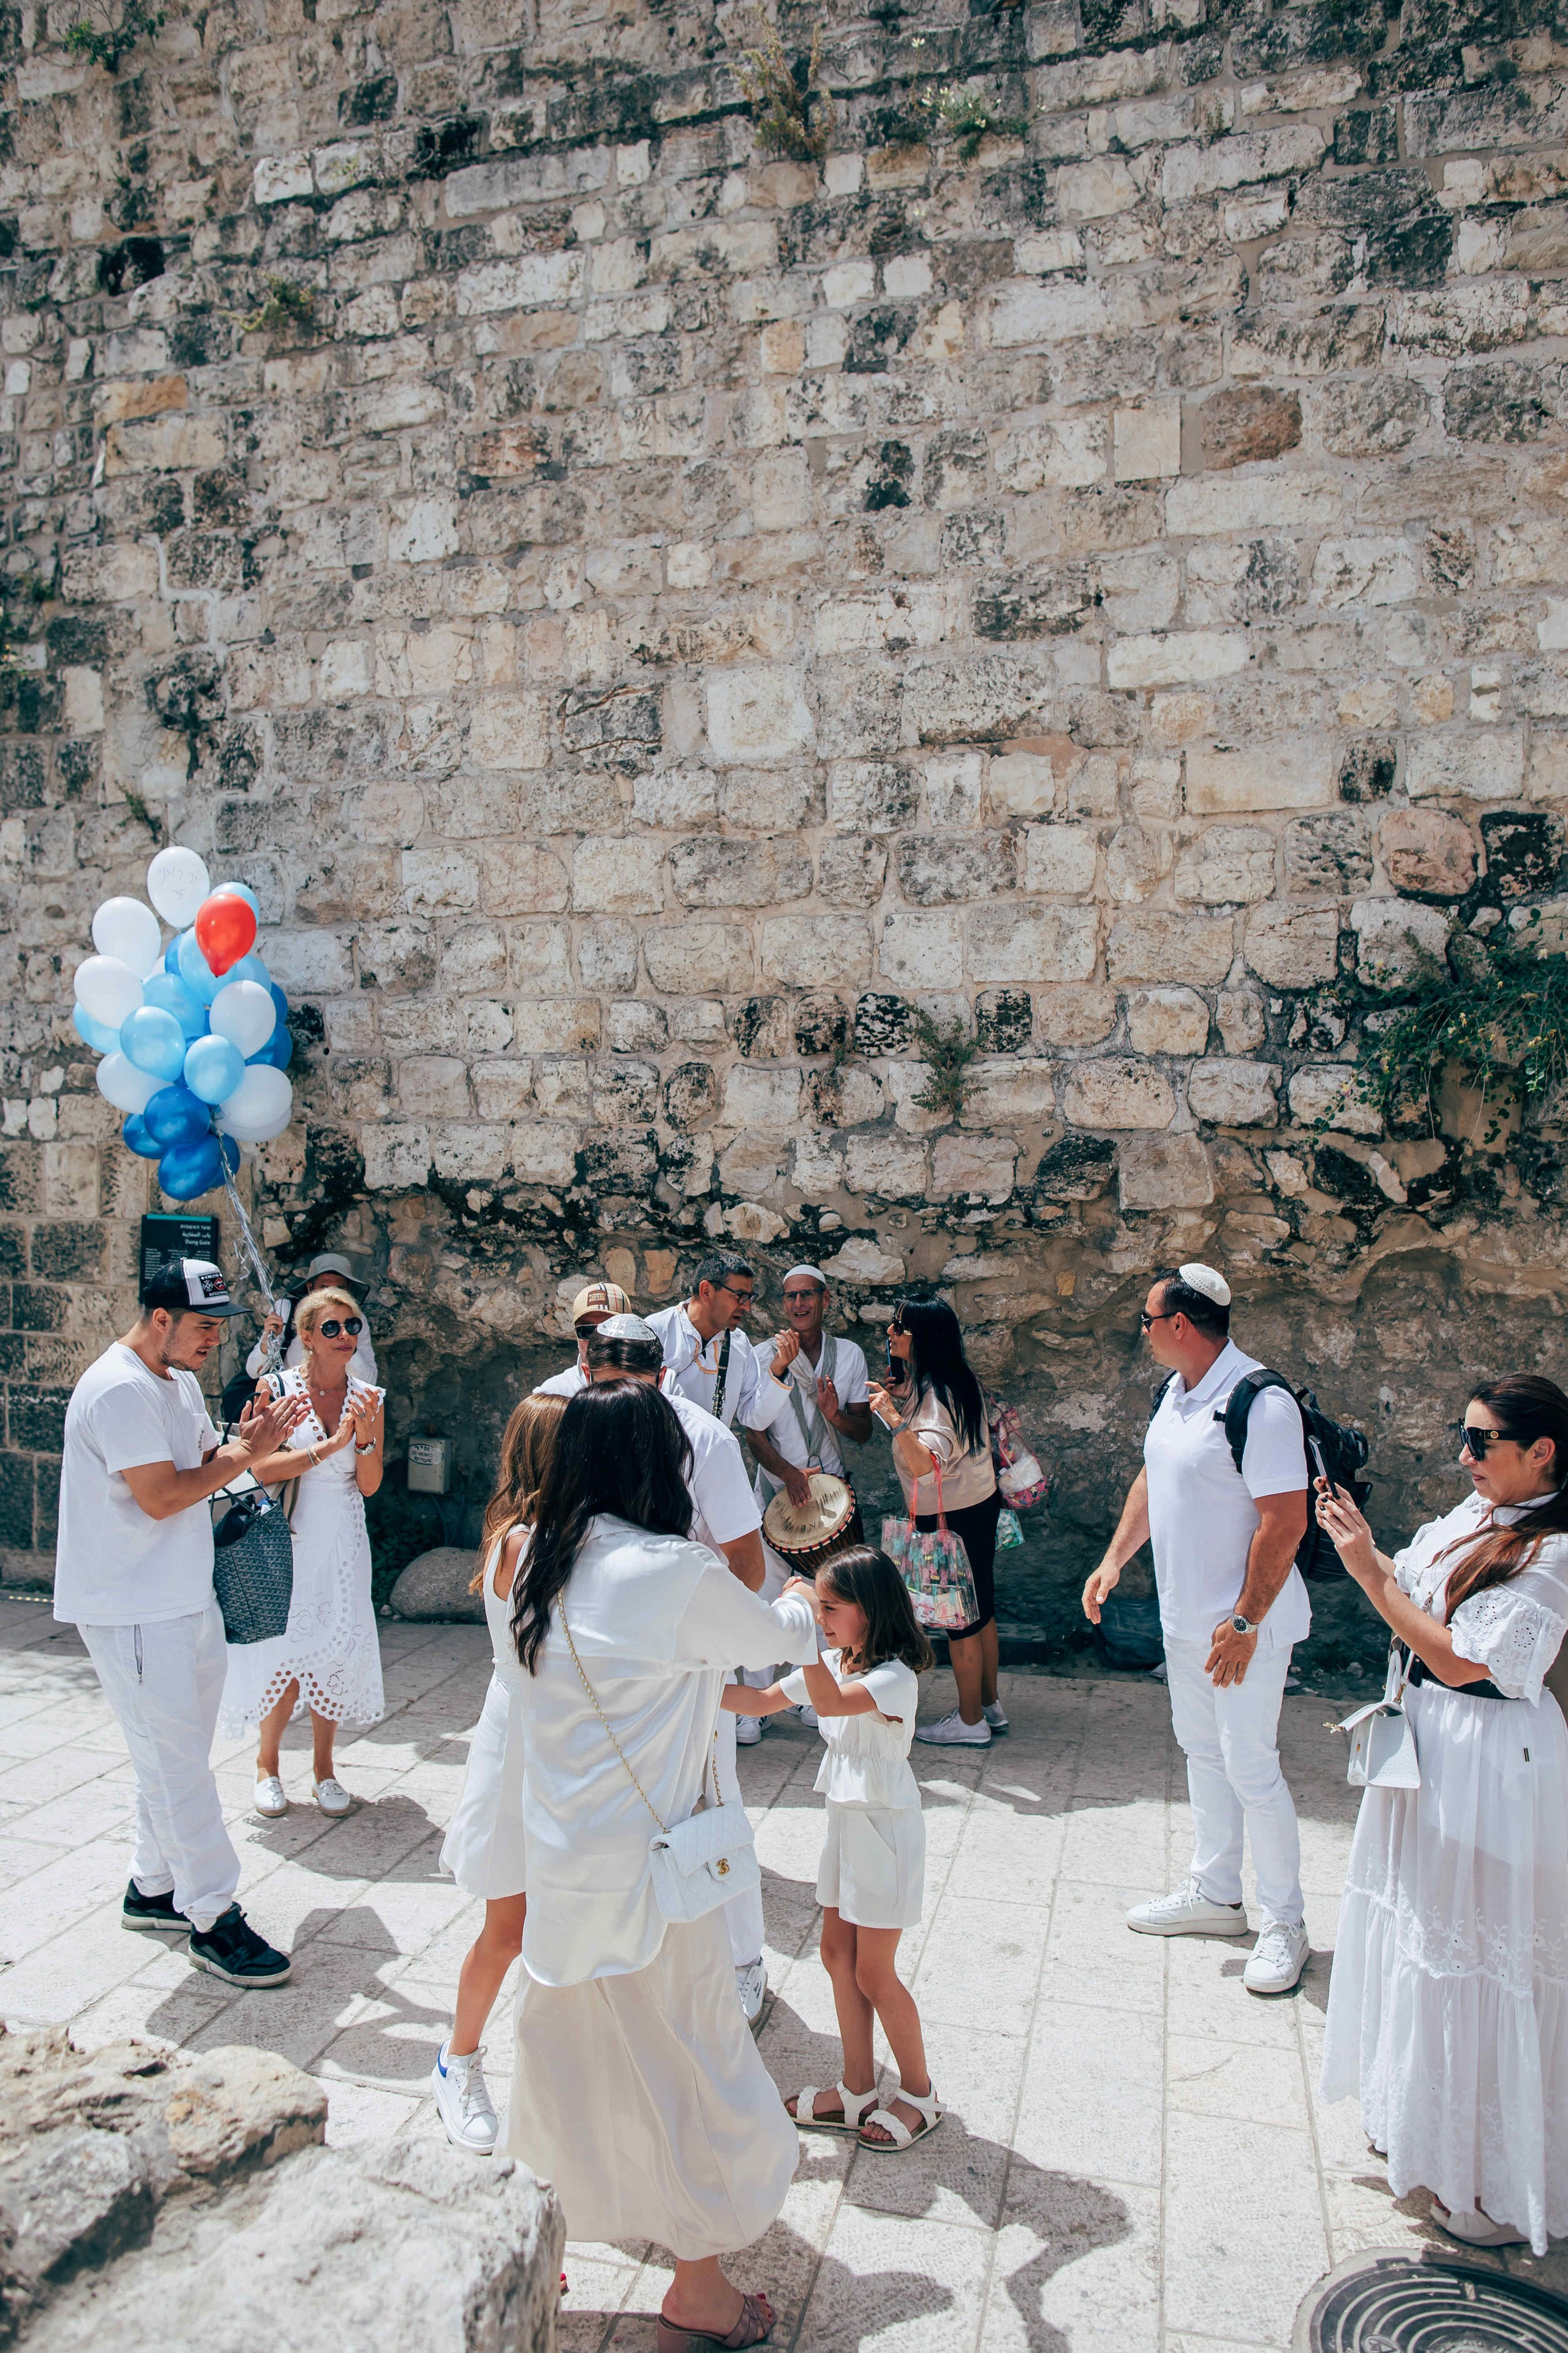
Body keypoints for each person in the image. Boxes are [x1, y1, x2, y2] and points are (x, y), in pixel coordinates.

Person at [502, 1381, 819, 2352]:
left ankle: (537, 2247)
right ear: (662, 1463)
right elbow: (776, 1644)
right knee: (686, 2061)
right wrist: (802, 1592)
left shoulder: (524, 1562)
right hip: (654, 1874)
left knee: (566, 2057)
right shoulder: (672, 1571)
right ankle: (698, 2286)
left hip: (560, 1861)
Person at [1317, 1375, 1568, 2255]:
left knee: (1478, 1947)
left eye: (1483, 1441)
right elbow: (1405, 1587)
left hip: (1494, 1759)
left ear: (1542, 1451)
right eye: (1462, 1436)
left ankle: (1495, 2181)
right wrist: (1363, 1546)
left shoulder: (1555, 1550)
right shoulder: (1469, 1520)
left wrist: (1364, 1574)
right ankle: (1425, 2134)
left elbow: (1469, 1664)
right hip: (1427, 1743)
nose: (1464, 1456)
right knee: (1423, 1936)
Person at [55, 1258, 306, 1987]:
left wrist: (246, 1440)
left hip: (182, 1596)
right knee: (177, 1765)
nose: (211, 1342)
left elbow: (203, 1458)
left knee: (175, 1755)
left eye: (217, 1328)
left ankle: (153, 1885)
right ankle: (212, 1915)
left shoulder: (176, 1380)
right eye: (201, 1327)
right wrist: (244, 1454)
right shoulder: (119, 1388)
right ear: (159, 1317)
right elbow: (164, 1496)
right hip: (132, 1607)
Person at [1082, 1264, 1311, 1996]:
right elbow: (1154, 1480)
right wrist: (1115, 1558)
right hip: (1184, 1623)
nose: (1142, 1332)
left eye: (1146, 1320)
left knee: (1251, 1766)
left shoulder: (1260, 1402)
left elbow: (1285, 1522)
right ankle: (1216, 1894)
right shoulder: (1176, 1396)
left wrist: (1244, 1621)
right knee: (1201, 1753)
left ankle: (1285, 1923)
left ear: (1179, 1325)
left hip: (1243, 1627)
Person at [584, 1314, 775, 2026]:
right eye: (608, 1385)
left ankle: (744, 1962)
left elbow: (748, 1562)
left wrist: (704, 1636)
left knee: (714, 1802)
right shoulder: (581, 1426)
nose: (621, 1400)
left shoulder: (705, 1438)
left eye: (634, 1385)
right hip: (616, 1656)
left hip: (691, 1656)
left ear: (662, 1378)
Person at [721, 1545, 940, 2153]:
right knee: (836, 1952)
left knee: (875, 1970)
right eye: (816, 1608)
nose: (820, 1618)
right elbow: (763, 1701)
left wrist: (797, 1634)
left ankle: (920, 2093)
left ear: (869, 1609)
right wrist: (687, 1688)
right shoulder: (841, 1660)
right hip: (846, 1826)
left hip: (886, 1832)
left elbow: (832, 1704)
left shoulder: (892, 1676)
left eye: (830, 1607)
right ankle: (857, 2086)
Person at [432, 1391, 567, 2155]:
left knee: (558, 1921)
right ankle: (458, 2062)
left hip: (557, 1738)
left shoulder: (554, 1531)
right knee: (507, 1927)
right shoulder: (522, 1542)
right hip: (525, 1740)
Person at [219, 1287, 385, 1818]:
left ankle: (324, 1769)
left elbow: (371, 1483)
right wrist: (327, 1447)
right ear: (307, 1337)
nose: (345, 1336)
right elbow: (259, 1468)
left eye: (352, 1325)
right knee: (283, 1655)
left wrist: (360, 1440)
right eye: (332, 1328)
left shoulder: (370, 1397)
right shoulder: (279, 1388)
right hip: (287, 1536)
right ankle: (267, 1766)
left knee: (334, 1648)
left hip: (342, 1536)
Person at [739, 1265, 873, 1745]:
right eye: (790, 1297)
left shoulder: (849, 1356)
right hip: (777, 1499)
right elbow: (752, 1430)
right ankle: (753, 1708)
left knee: (827, 1603)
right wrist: (790, 1473)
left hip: (829, 1504)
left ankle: (817, 1698)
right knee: (765, 1599)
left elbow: (864, 1429)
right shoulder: (763, 1356)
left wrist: (834, 1415)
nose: (798, 1304)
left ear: (825, 1299)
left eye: (807, 1296)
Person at [869, 1298, 1005, 1747]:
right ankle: (987, 1704)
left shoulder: (937, 1395)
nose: (891, 1331)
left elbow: (927, 1464)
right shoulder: (951, 1380)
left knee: (958, 1619)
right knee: (980, 1609)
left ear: (922, 1337)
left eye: (900, 1326)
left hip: (950, 1516)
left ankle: (969, 1723)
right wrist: (907, 1397)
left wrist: (893, 1417)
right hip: (978, 1506)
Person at [647, 1251, 782, 1440]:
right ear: (707, 1291)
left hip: (711, 1460)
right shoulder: (654, 1331)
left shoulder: (740, 1344)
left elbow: (754, 1418)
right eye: (740, 1296)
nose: (747, 1307)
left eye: (749, 1298)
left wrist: (778, 1372)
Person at [247, 1252, 378, 1387]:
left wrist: (348, 1343)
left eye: (338, 1289)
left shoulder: (356, 1320)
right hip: (293, 1398)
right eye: (324, 1287)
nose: (330, 1294)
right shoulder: (286, 1310)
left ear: (348, 1290)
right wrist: (268, 1338)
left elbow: (369, 1382)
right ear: (311, 1288)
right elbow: (254, 1371)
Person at [532, 1279, 631, 1397]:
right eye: (586, 1331)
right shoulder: (553, 1394)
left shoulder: (651, 1386)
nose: (597, 1339)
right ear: (576, 1335)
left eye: (609, 1328)